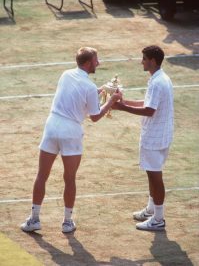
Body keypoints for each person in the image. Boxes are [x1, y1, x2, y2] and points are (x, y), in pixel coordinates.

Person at [20, 47, 122, 233]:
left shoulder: (65, 75)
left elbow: (78, 95)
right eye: (95, 60)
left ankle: (34, 219)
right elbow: (95, 116)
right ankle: (67, 222)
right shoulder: (89, 86)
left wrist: (100, 90)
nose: (98, 63)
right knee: (70, 178)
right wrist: (111, 100)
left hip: (52, 127)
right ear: (87, 63)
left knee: (41, 175)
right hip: (71, 133)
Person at [112, 45, 174, 231]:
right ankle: (151, 209)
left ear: (152, 61)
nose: (142, 62)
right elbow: (148, 103)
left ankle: (159, 218)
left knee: (155, 176)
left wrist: (122, 108)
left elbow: (149, 110)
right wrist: (124, 102)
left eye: (144, 59)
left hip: (155, 137)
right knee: (150, 172)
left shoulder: (157, 82)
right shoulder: (160, 79)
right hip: (158, 134)